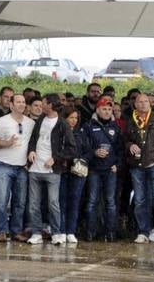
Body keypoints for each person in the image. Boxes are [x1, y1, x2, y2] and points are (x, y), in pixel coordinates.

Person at [124, 92, 154, 245]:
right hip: (137, 165)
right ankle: (143, 231)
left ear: (150, 104)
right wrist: (129, 145)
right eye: (140, 102)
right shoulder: (131, 121)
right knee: (139, 200)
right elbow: (124, 139)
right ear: (135, 104)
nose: (143, 104)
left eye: (146, 101)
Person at [0, 92, 31, 242]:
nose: (21, 104)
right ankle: (1, 230)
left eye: (23, 102)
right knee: (1, 200)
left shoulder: (30, 123)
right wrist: (6, 143)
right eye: (18, 102)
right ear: (11, 105)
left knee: (20, 201)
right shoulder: (1, 121)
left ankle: (16, 231)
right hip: (3, 165)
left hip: (22, 167)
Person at [25, 93, 62, 244]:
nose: (41, 106)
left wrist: (56, 158)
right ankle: (36, 232)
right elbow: (33, 138)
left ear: (51, 105)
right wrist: (32, 150)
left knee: (53, 203)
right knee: (33, 203)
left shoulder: (62, 123)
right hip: (35, 168)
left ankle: (56, 232)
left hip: (52, 171)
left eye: (44, 103)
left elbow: (71, 148)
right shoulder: (40, 120)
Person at [83, 96, 121, 241]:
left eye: (109, 109)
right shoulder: (88, 126)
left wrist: (117, 164)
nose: (106, 112)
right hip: (94, 169)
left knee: (110, 202)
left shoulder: (115, 127)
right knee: (92, 201)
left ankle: (111, 233)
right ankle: (90, 232)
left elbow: (120, 149)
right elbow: (84, 147)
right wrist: (94, 152)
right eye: (104, 109)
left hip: (110, 170)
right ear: (97, 110)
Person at [57, 104, 87, 244]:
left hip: (77, 172)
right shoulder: (58, 132)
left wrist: (81, 160)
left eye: (76, 118)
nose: (74, 120)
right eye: (71, 117)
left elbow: (89, 151)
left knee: (74, 202)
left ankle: (71, 231)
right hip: (62, 171)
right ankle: (61, 230)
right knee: (61, 202)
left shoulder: (81, 133)